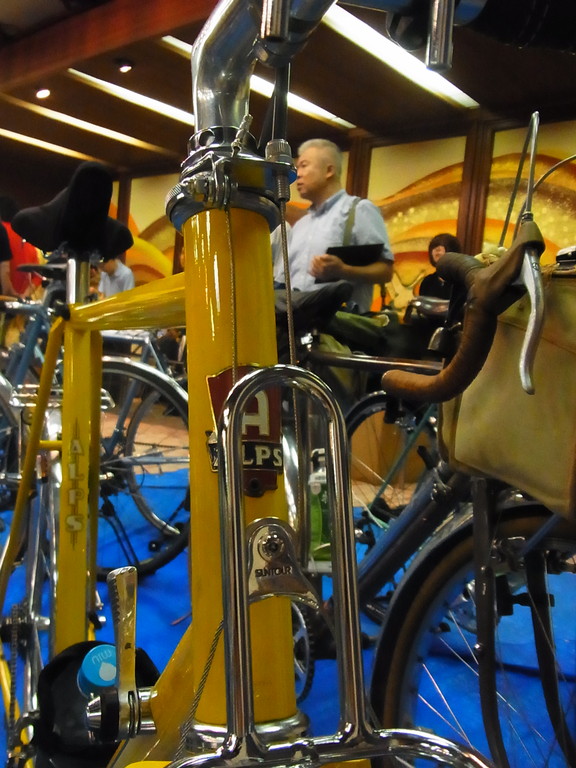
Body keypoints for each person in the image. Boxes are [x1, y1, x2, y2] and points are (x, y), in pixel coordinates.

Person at [273, 139, 393, 314]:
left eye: (304, 166)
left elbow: (386, 271)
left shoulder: (358, 210)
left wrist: (344, 270)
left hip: (339, 323)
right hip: (296, 323)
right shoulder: (301, 226)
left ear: (329, 170)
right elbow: (281, 281)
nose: (298, 174)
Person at [0, 196, 41, 299]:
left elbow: (4, 271)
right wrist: (23, 296)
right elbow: (37, 276)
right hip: (19, 301)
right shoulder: (26, 239)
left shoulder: (2, 230)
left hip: (4, 298)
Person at [418, 232, 462, 300]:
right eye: (434, 247)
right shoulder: (428, 281)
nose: (437, 249)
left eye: (443, 245)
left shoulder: (462, 282)